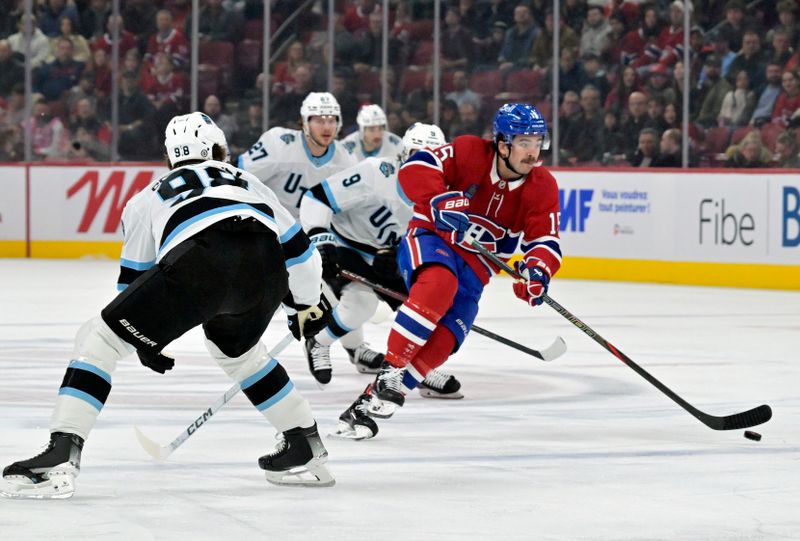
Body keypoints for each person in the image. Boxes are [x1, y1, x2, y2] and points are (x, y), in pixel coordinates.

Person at [1, 113, 336, 498]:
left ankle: (61, 453)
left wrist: (143, 338)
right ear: (216, 149)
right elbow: (301, 253)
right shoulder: (249, 181)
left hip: (203, 260)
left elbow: (133, 283)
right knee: (239, 354)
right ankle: (304, 441)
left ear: (170, 157)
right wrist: (305, 307)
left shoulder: (147, 197)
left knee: (99, 340)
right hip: (266, 269)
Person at [342, 103, 562, 437]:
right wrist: (437, 198)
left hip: (476, 269)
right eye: (524, 143)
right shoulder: (469, 151)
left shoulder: (542, 186)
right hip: (430, 240)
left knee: (448, 337)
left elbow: (545, 239)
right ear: (503, 143)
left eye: (537, 142)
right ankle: (391, 369)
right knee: (439, 284)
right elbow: (417, 167)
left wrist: (537, 272)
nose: (533, 152)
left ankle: (373, 400)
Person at [298, 123, 463, 412]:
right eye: (417, 157)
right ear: (402, 157)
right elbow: (317, 198)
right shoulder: (375, 173)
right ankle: (319, 342)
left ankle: (417, 368)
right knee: (361, 305)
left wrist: (400, 259)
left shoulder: (443, 198)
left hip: (386, 257)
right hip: (345, 245)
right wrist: (321, 240)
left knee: (427, 309)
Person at [239, 93, 381, 377]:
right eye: (318, 119)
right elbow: (240, 176)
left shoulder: (344, 159)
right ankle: (240, 352)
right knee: (255, 304)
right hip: (268, 236)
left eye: (332, 120)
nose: (326, 126)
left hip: (309, 240)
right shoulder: (279, 144)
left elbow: (351, 209)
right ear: (305, 122)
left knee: (337, 291)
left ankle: (355, 349)